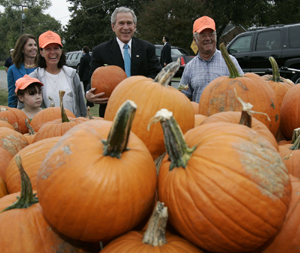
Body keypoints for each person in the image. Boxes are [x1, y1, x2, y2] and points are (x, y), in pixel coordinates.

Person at [86, 6, 162, 117]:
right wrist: (88, 93)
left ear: (135, 26)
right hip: (112, 110)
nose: (125, 27)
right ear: (113, 27)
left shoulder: (147, 48)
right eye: (121, 23)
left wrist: (142, 87)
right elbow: (92, 79)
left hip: (143, 109)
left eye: (129, 23)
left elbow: (157, 74)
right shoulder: (100, 51)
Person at [180, 16, 244, 103]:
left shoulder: (230, 62)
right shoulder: (189, 67)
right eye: (203, 35)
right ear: (195, 39)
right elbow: (183, 98)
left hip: (225, 115)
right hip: (200, 115)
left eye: (211, 34)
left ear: (216, 36)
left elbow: (243, 90)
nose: (208, 38)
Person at [29, 30, 87, 117]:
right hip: (47, 128)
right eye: (48, 49)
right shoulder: (34, 78)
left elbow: (82, 106)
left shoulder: (72, 75)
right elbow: (24, 108)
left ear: (60, 51)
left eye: (56, 48)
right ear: (41, 52)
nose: (53, 52)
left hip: (73, 127)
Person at [7, 34, 38, 108]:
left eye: (35, 45)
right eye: (30, 45)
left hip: (42, 111)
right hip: (22, 111)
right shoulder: (12, 70)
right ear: (22, 49)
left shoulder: (42, 68)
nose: (34, 48)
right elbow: (12, 96)